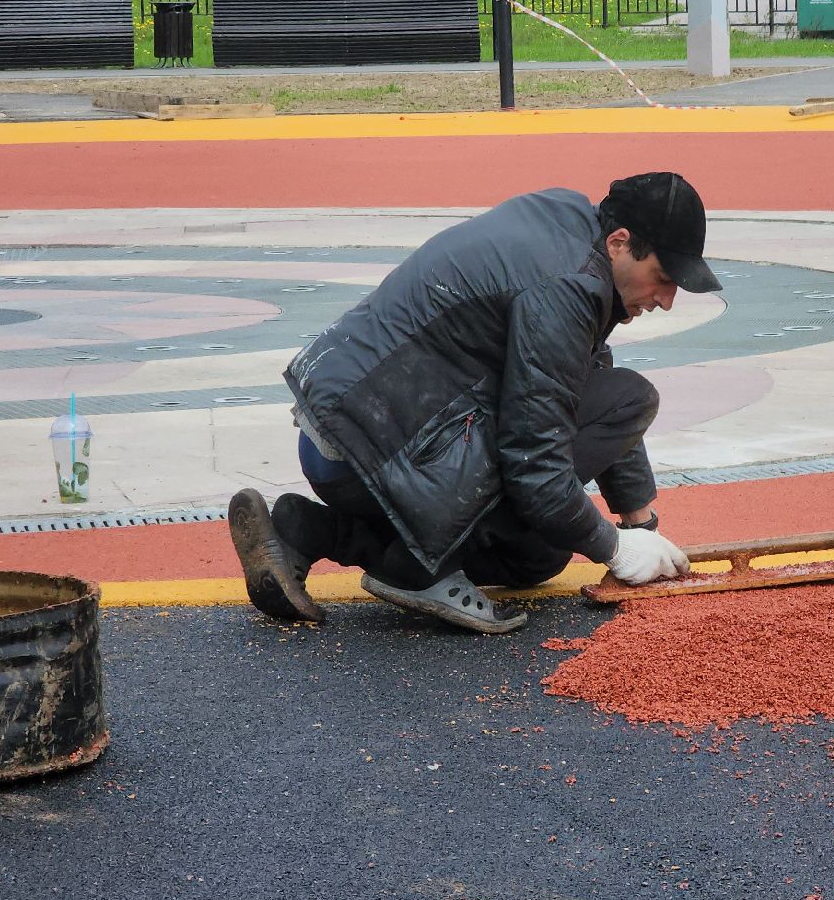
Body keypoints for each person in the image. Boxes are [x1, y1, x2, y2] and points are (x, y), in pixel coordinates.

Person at [227, 173, 721, 634]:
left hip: (346, 437)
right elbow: (536, 461)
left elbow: (584, 376)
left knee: (538, 555)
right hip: (369, 456)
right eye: (663, 277)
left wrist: (641, 524)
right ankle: (414, 570)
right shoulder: (566, 286)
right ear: (620, 243)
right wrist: (615, 549)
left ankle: (310, 530)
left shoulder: (568, 230)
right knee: (630, 401)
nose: (666, 299)